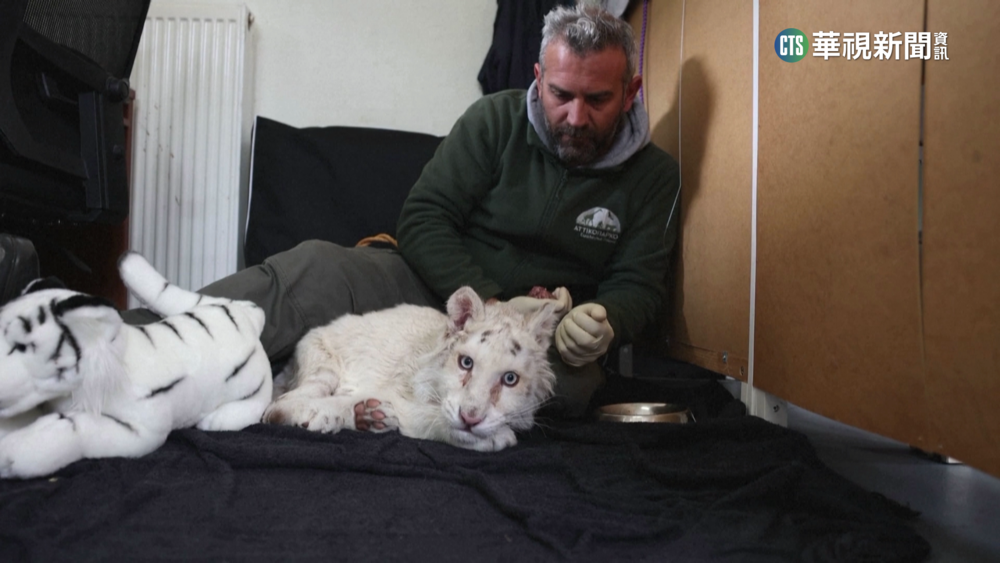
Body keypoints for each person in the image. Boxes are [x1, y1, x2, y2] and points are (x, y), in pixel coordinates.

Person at [146, 4, 680, 418]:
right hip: (440, 288)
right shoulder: (493, 119)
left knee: (574, 388)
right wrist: (490, 308)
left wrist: (604, 323)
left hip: (539, 338)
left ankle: (372, 400)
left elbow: (639, 286)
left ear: (631, 92)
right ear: (539, 78)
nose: (575, 117)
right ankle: (138, 339)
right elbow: (424, 218)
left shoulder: (655, 176)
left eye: (598, 100)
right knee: (314, 268)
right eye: (561, 94)